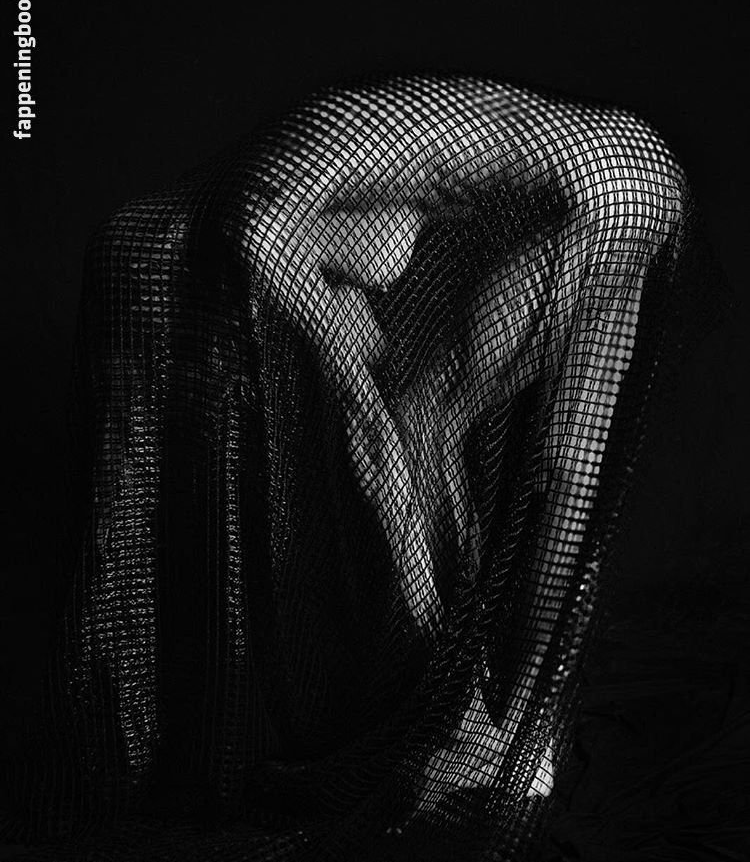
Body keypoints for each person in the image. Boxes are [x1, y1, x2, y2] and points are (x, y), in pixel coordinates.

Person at [1, 74, 707, 861]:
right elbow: (259, 237)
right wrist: (351, 376)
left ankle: (484, 725)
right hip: (164, 275)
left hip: (610, 181)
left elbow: (279, 249)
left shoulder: (392, 172)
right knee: (474, 450)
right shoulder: (328, 188)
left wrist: (354, 380)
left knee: (517, 458)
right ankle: (476, 724)